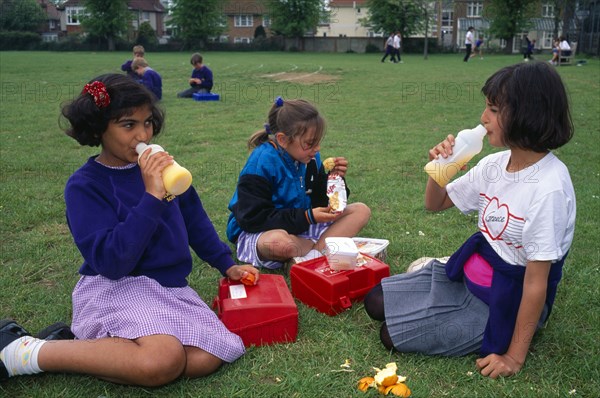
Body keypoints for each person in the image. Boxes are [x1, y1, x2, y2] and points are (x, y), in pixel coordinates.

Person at [0, 73, 259, 386]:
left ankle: (98, 349)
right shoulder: (85, 186)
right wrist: (152, 197)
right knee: (162, 360)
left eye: (147, 122)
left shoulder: (166, 171)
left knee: (206, 358)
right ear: (99, 128)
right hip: (116, 285)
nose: (143, 135)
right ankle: (28, 352)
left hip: (166, 288)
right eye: (128, 125)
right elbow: (113, 262)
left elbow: (194, 220)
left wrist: (226, 264)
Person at [364, 62, 575, 379]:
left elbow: (535, 284)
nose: (483, 118)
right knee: (375, 302)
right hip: (470, 275)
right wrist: (441, 168)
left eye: (493, 109)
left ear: (526, 113)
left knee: (389, 337)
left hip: (506, 300)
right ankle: (440, 296)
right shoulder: (495, 164)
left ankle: (480, 321)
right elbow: (435, 204)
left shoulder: (549, 189)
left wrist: (514, 358)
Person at [226, 97, 371, 269]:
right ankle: (318, 250)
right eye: (310, 143)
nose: (317, 149)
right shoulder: (262, 162)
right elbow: (252, 218)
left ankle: (310, 257)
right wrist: (307, 217)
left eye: (318, 142)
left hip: (300, 226)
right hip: (261, 231)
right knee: (282, 244)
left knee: (361, 210)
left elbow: (320, 202)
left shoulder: (310, 157)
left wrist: (334, 180)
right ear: (282, 139)